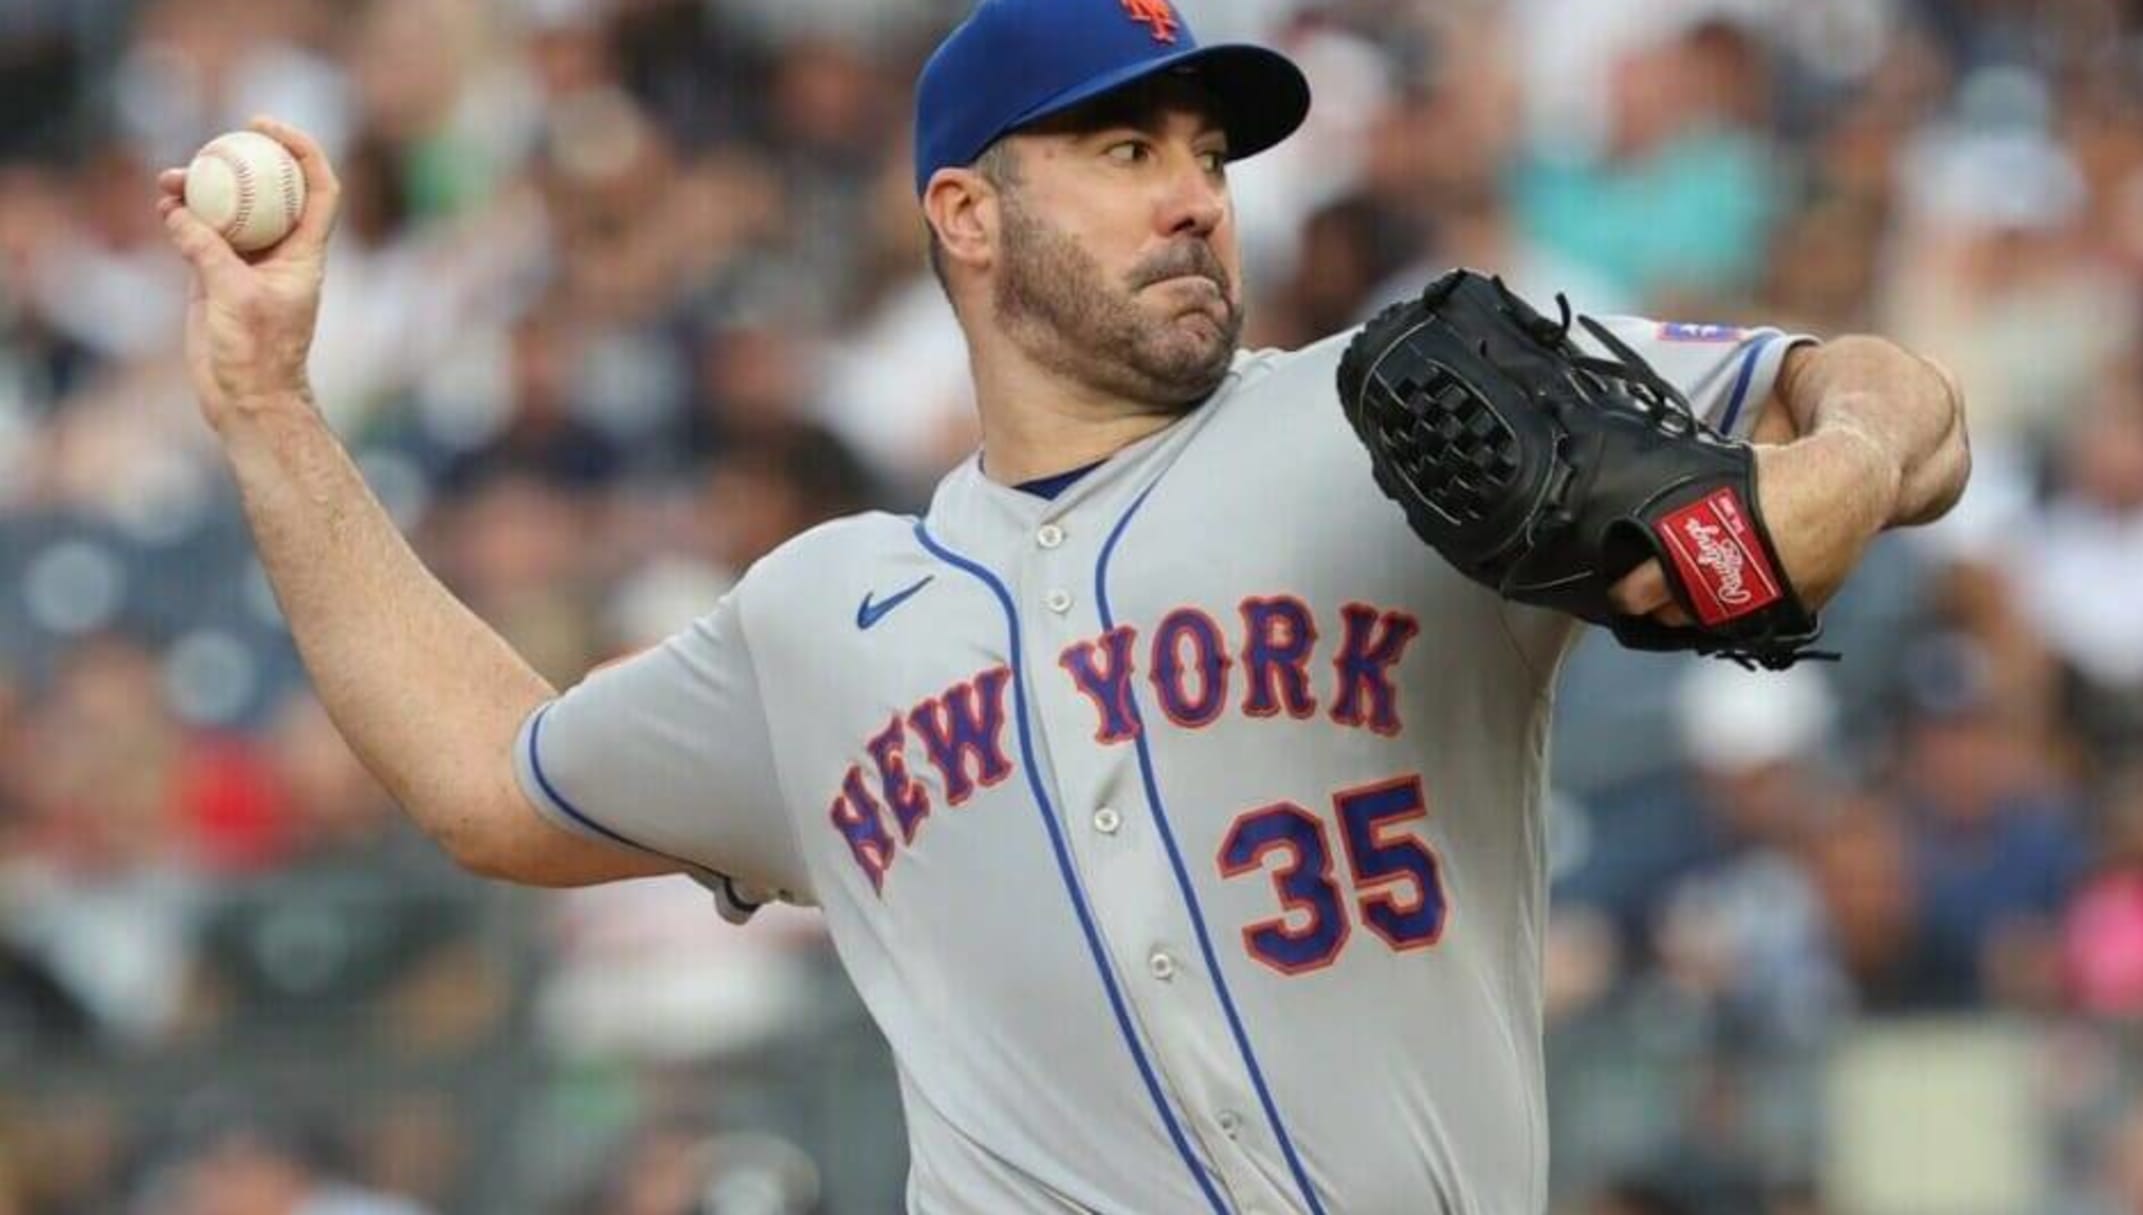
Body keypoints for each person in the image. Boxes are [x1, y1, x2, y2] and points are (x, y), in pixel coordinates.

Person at [152, 1, 1968, 1210]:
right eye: (1123, 152)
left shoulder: (1395, 421)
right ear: (964, 210)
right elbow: (489, 780)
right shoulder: (819, 622)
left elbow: (1896, 405)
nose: (1193, 198)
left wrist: (1823, 473)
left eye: (1207, 154)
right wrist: (266, 407)